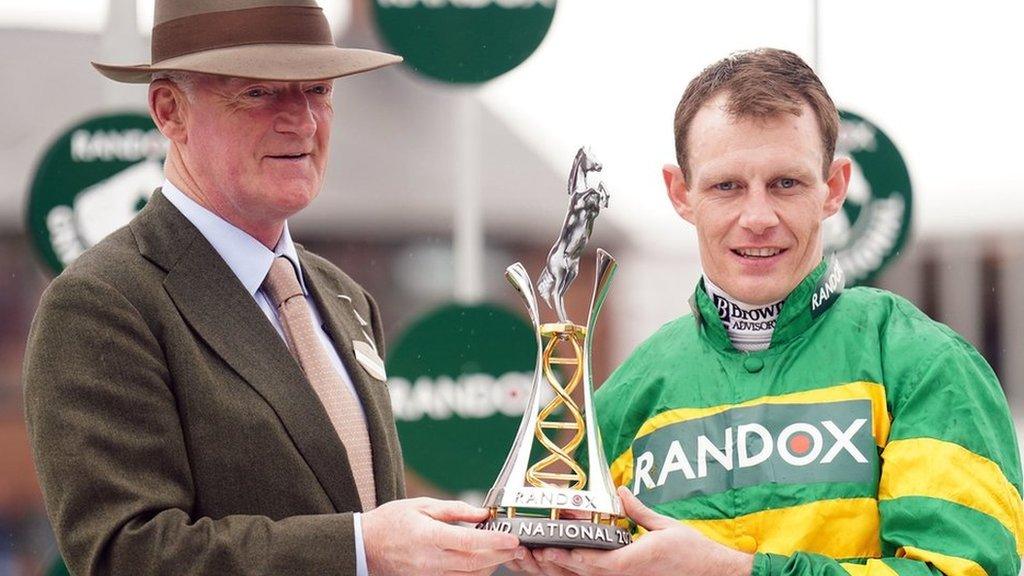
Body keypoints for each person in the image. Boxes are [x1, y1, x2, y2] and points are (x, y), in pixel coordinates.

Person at [23, 1, 523, 574]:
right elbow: (126, 554)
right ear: (168, 110)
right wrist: (366, 546)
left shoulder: (344, 298)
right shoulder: (103, 303)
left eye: (316, 90)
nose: (302, 121)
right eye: (259, 93)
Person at [512, 48, 1024, 576]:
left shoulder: (923, 364)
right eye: (727, 186)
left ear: (835, 187)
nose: (757, 218)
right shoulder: (625, 398)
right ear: (681, 193)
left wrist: (731, 571)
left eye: (786, 183)